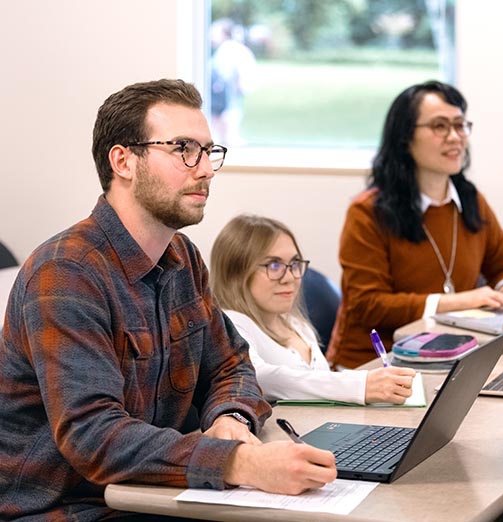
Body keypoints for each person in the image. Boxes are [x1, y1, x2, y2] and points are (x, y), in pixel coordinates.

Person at [0, 79, 336, 521]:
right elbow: (92, 436)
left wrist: (231, 418)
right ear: (123, 161)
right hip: (68, 510)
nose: (205, 169)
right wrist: (239, 462)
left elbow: (232, 363)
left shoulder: (182, 258)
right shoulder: (66, 272)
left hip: (158, 496)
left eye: (209, 151)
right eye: (183, 149)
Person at [327, 80, 503, 369]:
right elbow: (369, 305)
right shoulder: (367, 212)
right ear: (405, 138)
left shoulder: (470, 201)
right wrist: (457, 302)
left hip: (450, 355)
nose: (455, 137)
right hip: (373, 364)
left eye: (460, 125)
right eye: (440, 126)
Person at [210, 214, 416, 405]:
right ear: (235, 274)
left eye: (294, 264)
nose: (290, 278)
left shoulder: (295, 324)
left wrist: (376, 381)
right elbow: (258, 377)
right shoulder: (231, 323)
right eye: (274, 266)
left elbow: (319, 384)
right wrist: (360, 385)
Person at [210, 18, 257, 146]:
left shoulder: (229, 49)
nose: (211, 36)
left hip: (226, 90)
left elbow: (235, 71)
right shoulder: (228, 48)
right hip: (225, 91)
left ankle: (227, 140)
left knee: (228, 117)